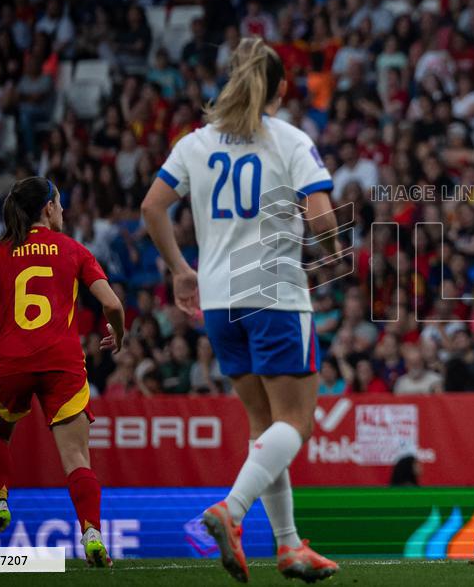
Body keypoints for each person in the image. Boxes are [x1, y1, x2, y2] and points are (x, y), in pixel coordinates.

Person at [141, 37, 340, 583]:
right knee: (296, 422)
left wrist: (181, 270)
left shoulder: (195, 143)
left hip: (219, 298)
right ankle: (231, 509)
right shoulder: (290, 140)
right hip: (274, 293)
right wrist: (339, 254)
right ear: (281, 87)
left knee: (264, 426)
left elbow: (153, 207)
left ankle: (289, 546)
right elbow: (322, 218)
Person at [0, 177, 125, 567]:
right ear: (48, 208)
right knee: (77, 456)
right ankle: (92, 532)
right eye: (60, 203)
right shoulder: (74, 250)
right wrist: (120, 332)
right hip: (60, 362)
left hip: (8, 362)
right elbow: (112, 304)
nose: (63, 210)